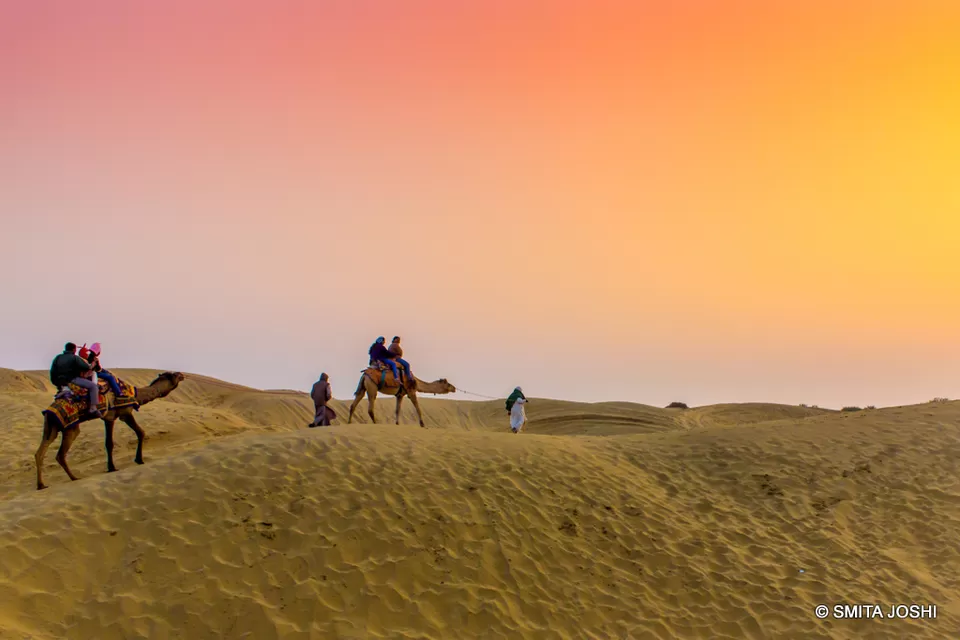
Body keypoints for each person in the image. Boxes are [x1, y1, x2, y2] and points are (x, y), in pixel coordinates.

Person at [49, 342, 102, 417]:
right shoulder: (74, 358)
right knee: (93, 386)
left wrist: (56, 383)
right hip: (72, 380)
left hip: (60, 382)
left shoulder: (57, 357)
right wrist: (93, 364)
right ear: (74, 349)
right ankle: (93, 408)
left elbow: (52, 371)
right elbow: (86, 367)